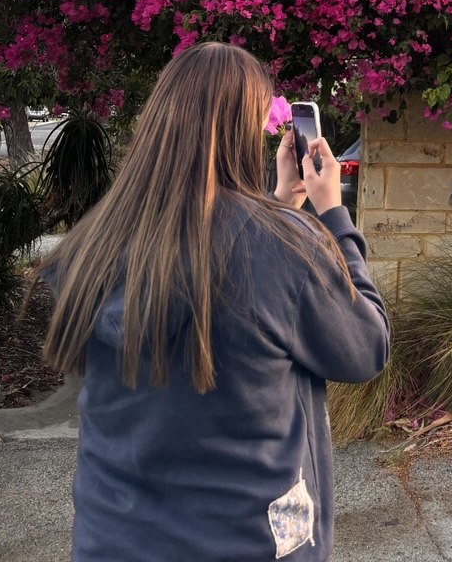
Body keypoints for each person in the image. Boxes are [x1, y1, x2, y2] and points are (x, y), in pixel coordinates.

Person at [38, 40, 390, 561]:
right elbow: (366, 347)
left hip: (114, 537)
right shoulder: (283, 247)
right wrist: (331, 214)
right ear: (242, 133)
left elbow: (212, 268)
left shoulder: (92, 245)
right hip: (246, 541)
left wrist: (279, 204)